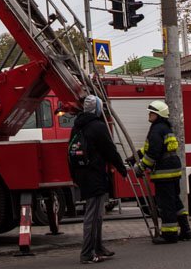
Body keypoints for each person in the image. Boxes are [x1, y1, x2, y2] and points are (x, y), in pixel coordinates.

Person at [68, 95, 128, 264]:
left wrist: (74, 176)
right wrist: (121, 168)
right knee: (93, 215)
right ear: (98, 109)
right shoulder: (97, 127)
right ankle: (87, 253)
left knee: (97, 214)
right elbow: (110, 150)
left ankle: (98, 247)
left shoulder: (77, 127)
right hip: (94, 175)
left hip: (82, 175)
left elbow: (70, 152)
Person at [129, 100, 191, 243]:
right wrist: (135, 157)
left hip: (164, 172)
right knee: (175, 201)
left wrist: (141, 167)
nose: (149, 114)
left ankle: (169, 235)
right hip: (173, 170)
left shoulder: (156, 129)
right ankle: (186, 230)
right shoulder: (164, 128)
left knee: (166, 204)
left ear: (158, 114)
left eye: (152, 112)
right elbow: (149, 149)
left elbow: (153, 154)